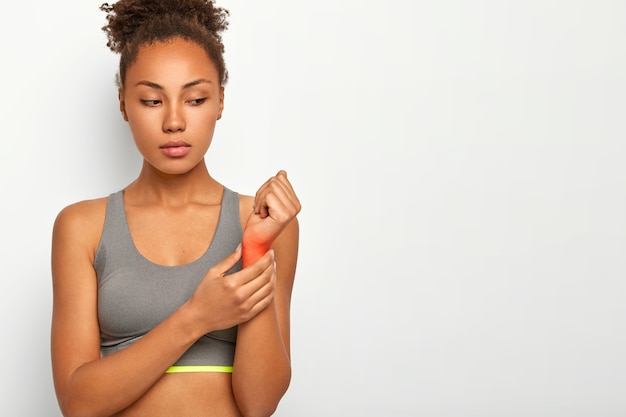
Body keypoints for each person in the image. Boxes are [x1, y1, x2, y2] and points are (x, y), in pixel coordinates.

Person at [50, 0, 301, 416]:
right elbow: (77, 403)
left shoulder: (265, 223)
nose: (173, 122)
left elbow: (259, 404)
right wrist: (197, 317)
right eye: (151, 101)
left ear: (220, 101)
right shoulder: (82, 226)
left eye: (195, 99)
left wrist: (254, 251)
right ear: (123, 104)